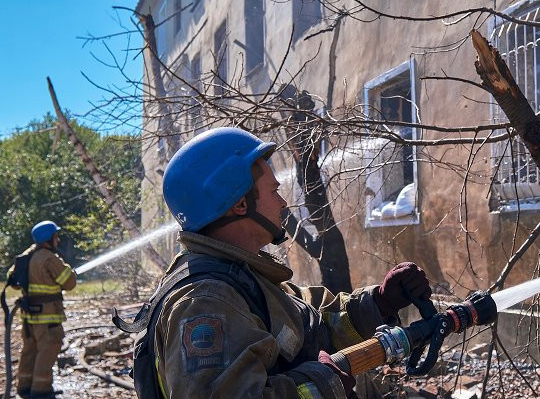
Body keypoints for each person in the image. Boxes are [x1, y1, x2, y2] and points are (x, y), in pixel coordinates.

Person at [140, 127, 431, 398]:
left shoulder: (243, 276)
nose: (282, 203)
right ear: (240, 204)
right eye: (273, 191)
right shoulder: (206, 303)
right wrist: (323, 385)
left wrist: (378, 304)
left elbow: (310, 324)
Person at [8, 220, 77, 399]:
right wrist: (71, 272)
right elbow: (69, 283)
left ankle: (24, 387)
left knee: (29, 351)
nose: (58, 240)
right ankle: (41, 390)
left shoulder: (27, 255)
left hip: (29, 317)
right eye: (56, 236)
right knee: (47, 350)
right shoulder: (48, 258)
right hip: (48, 318)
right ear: (49, 238)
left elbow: (13, 280)